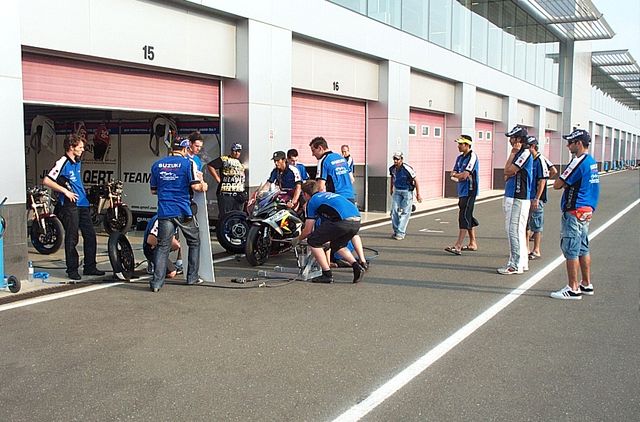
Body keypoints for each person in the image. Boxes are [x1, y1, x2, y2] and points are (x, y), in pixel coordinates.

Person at [149, 137, 208, 292]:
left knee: (162, 246)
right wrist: (204, 185)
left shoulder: (157, 165)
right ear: (184, 149)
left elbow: (153, 190)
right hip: (183, 210)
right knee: (194, 241)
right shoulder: (188, 164)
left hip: (164, 210)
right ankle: (192, 278)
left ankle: (156, 283)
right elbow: (196, 187)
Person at [43, 134, 105, 281]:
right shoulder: (63, 161)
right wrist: (65, 191)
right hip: (70, 205)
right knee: (72, 237)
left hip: (83, 204)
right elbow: (47, 180)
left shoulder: (77, 161)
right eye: (80, 147)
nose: (83, 150)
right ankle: (72, 269)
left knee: (90, 235)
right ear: (71, 147)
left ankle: (90, 266)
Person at [550, 129, 600, 300]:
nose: (568, 145)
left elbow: (558, 184)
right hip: (587, 209)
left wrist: (565, 183)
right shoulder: (591, 161)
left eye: (570, 142)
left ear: (579, 143)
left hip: (574, 209)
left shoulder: (577, 161)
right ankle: (586, 283)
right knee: (583, 247)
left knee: (571, 248)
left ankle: (573, 288)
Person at [309, 137, 367, 268]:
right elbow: (351, 178)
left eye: (313, 150)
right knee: (352, 231)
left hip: (337, 199)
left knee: (325, 229)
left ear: (320, 148)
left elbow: (321, 186)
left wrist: (315, 200)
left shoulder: (324, 160)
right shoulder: (340, 158)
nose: (313, 154)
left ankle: (328, 262)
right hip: (350, 196)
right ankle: (362, 260)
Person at [298, 180, 365, 284]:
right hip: (357, 220)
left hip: (342, 221)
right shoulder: (328, 195)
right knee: (337, 245)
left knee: (313, 241)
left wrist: (297, 239)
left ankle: (327, 274)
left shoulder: (312, 201)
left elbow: (307, 230)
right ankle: (357, 267)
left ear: (305, 194)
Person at [498, 126, 533, 275]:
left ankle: (515, 264)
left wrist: (512, 154)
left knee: (514, 231)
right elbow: (507, 174)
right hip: (513, 195)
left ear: (518, 139)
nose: (510, 140)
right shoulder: (519, 153)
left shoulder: (524, 153)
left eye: (512, 138)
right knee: (515, 230)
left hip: (519, 196)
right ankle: (521, 262)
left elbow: (507, 171)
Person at [444, 135, 479, 255]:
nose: (458, 146)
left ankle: (458, 246)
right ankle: (472, 243)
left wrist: (456, 175)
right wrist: (456, 174)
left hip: (470, 190)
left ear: (467, 145)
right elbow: (453, 172)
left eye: (461, 144)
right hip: (462, 190)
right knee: (467, 215)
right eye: (458, 144)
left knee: (464, 216)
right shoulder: (459, 158)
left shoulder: (472, 157)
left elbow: (465, 175)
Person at [526, 136, 558, 260]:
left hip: (535, 197)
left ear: (533, 147)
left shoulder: (540, 160)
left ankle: (536, 250)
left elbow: (551, 173)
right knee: (526, 224)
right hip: (526, 196)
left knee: (536, 224)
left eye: (527, 147)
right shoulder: (528, 159)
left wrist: (537, 197)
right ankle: (526, 249)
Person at [207, 143, 246, 221]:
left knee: (237, 216)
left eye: (239, 151)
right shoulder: (224, 159)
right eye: (235, 151)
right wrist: (217, 178)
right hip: (226, 193)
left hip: (238, 194)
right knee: (225, 216)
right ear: (231, 151)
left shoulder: (240, 163)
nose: (237, 153)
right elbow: (210, 166)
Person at [388, 151, 422, 240]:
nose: (395, 161)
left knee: (405, 212)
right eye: (394, 159)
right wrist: (391, 188)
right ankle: (396, 230)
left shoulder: (407, 169)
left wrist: (418, 194)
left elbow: (416, 180)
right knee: (394, 210)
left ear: (401, 159)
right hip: (397, 191)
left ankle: (400, 232)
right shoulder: (392, 169)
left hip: (407, 191)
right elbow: (392, 178)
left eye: (397, 159)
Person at [143, 214, 181, 278]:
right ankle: (154, 264)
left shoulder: (175, 220)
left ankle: (180, 262)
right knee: (171, 273)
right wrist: (171, 243)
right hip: (152, 249)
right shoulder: (160, 220)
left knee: (185, 239)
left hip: (163, 246)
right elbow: (150, 240)